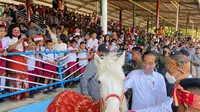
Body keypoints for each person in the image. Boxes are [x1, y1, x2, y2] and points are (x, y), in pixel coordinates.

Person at [0, 25, 8, 102]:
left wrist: (4, 50)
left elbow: (6, 49)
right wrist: (2, 50)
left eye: (4, 31)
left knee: (3, 74)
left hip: (2, 60)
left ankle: (2, 90)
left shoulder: (5, 40)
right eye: (0, 30)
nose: (2, 32)